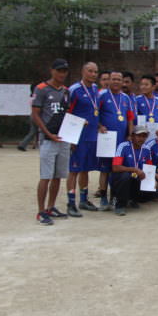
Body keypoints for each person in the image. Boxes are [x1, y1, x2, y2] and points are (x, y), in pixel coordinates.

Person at [32, 59, 71, 224]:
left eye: (64, 71)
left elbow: (67, 114)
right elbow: (35, 114)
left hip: (63, 138)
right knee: (45, 176)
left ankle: (51, 206)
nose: (62, 74)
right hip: (48, 138)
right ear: (52, 71)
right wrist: (47, 133)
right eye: (59, 70)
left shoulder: (66, 91)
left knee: (58, 176)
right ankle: (40, 211)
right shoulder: (41, 89)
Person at [66, 62, 100, 217]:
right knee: (74, 170)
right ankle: (71, 202)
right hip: (78, 137)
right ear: (82, 71)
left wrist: (99, 126)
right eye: (90, 71)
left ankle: (84, 199)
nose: (93, 74)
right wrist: (71, 138)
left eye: (95, 72)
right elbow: (68, 114)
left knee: (85, 168)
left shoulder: (95, 89)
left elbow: (93, 111)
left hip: (92, 136)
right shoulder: (74, 90)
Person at [97, 71, 135, 209]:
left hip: (121, 140)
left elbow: (130, 117)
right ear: (109, 80)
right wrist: (100, 126)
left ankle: (114, 196)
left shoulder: (126, 98)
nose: (116, 82)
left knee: (117, 169)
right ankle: (103, 198)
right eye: (114, 79)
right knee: (104, 169)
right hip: (106, 139)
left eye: (119, 79)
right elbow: (95, 114)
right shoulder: (101, 95)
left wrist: (130, 134)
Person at [111, 125, 152, 216]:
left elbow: (149, 168)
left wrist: (153, 180)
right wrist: (134, 169)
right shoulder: (123, 146)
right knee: (125, 176)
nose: (141, 138)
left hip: (136, 179)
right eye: (139, 136)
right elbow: (115, 167)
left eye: (144, 136)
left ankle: (132, 199)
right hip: (122, 178)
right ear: (132, 136)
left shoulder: (147, 149)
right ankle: (119, 204)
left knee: (152, 191)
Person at [18, 83, 39, 151]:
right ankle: (42, 145)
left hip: (32, 115)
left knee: (32, 132)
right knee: (42, 131)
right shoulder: (38, 97)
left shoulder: (33, 96)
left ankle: (22, 144)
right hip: (37, 116)